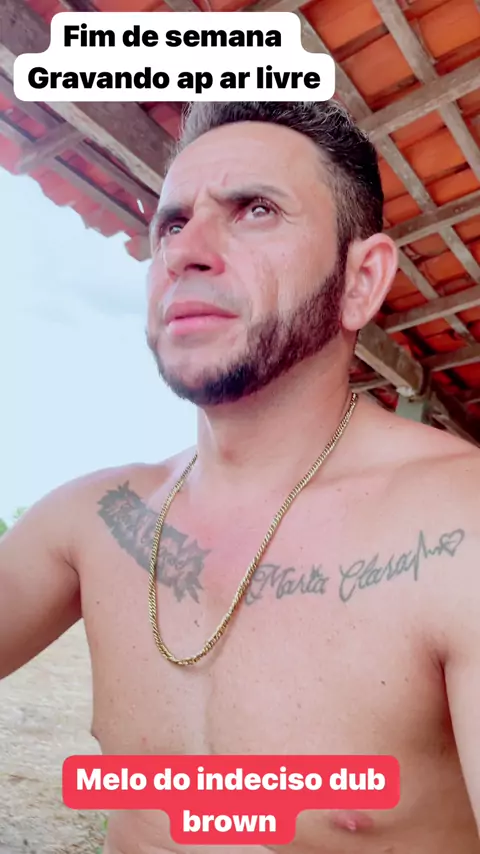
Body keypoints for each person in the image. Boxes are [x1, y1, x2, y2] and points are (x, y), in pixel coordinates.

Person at [1, 100, 480, 854]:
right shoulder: (91, 520)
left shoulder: (459, 523)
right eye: (171, 224)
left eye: (257, 210)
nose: (186, 252)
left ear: (361, 281)